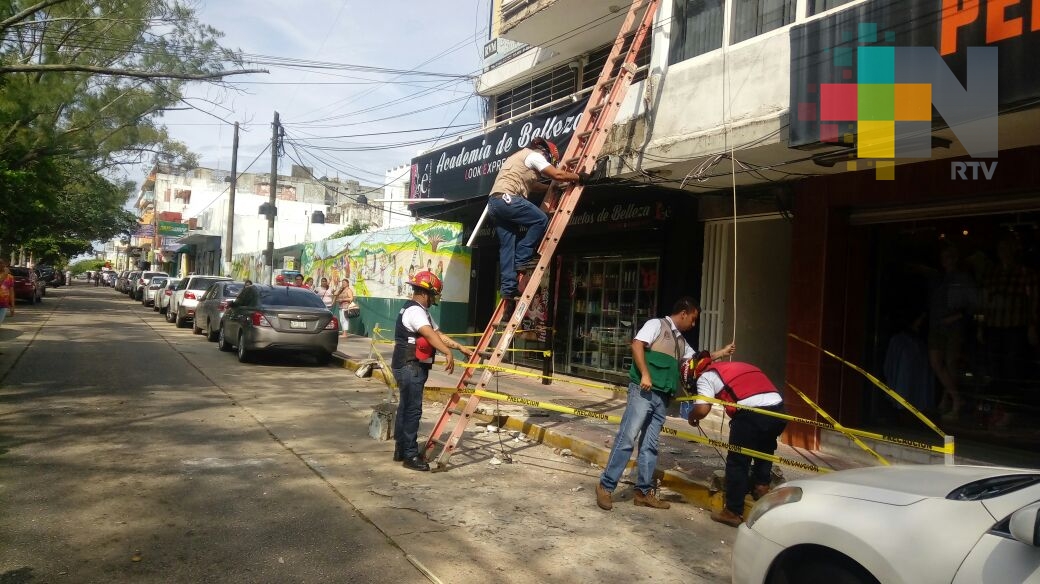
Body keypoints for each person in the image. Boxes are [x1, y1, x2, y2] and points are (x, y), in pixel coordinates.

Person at [595, 297, 735, 511]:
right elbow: (637, 345)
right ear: (683, 313)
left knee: (650, 445)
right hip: (643, 391)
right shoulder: (656, 325)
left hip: (662, 397)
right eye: (693, 319)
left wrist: (721, 353)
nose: (693, 324)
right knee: (627, 438)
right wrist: (645, 374)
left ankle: (643, 492)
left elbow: (697, 360)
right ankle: (605, 486)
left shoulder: (681, 342)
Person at [686, 356, 786, 528]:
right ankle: (761, 487)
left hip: (750, 413)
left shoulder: (705, 376)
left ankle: (732, 512)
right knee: (764, 450)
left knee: (738, 461)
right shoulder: (735, 366)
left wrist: (691, 417)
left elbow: (702, 410)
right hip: (778, 410)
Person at [488, 137, 586, 306]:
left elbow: (532, 186)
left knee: (507, 246)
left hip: (495, 204)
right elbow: (557, 174)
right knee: (540, 219)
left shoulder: (518, 158)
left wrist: (550, 188)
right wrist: (578, 177)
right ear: (547, 156)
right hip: (508, 198)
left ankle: (508, 289)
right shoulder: (535, 156)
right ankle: (522, 258)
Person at [392, 270, 473, 471]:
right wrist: (447, 352)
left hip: (409, 365)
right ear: (424, 293)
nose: (434, 299)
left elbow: (437, 333)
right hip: (410, 366)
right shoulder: (415, 311)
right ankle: (410, 455)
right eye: (433, 295)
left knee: (405, 407)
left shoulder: (420, 311)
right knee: (412, 410)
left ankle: (401, 449)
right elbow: (429, 334)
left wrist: (459, 347)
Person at [0, 260, 14, 325]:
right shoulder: (5, 275)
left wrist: (12, 306)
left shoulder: (10, 277)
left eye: (2, 264)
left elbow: (11, 292)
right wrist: (4, 275)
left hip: (4, 304)